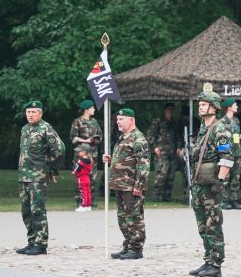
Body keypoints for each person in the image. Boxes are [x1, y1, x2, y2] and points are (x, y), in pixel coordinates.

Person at [185, 90, 235, 277]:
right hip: (199, 184)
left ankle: (216, 263)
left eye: (204, 104)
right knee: (202, 225)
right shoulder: (202, 129)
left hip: (211, 185)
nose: (200, 106)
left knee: (213, 223)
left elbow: (227, 157)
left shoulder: (219, 129)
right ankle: (208, 259)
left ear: (214, 108)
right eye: (200, 104)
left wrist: (220, 180)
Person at [17, 100, 65, 255]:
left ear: (40, 113)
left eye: (34, 112)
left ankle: (41, 243)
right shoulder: (25, 129)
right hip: (24, 176)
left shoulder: (46, 128)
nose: (30, 115)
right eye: (28, 112)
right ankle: (31, 241)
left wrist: (51, 168)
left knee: (38, 211)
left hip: (38, 177)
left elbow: (59, 150)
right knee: (26, 211)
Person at [103, 108, 150, 260]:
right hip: (120, 184)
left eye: (121, 119)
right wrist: (111, 159)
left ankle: (136, 248)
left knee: (134, 217)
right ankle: (128, 245)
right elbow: (126, 158)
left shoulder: (138, 139)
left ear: (131, 120)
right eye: (117, 119)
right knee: (123, 217)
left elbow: (143, 164)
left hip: (131, 186)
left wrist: (139, 185)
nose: (118, 122)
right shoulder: (123, 138)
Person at [149, 103, 183, 202]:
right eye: (168, 110)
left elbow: (178, 137)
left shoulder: (174, 123)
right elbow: (150, 135)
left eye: (172, 110)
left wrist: (179, 147)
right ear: (165, 110)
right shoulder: (158, 122)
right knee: (162, 174)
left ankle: (167, 196)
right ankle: (157, 195)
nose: (170, 112)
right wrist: (154, 147)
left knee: (171, 175)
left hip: (172, 152)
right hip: (161, 152)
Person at [70, 99, 102, 199]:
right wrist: (86, 141)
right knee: (81, 175)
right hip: (82, 153)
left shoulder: (94, 122)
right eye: (92, 108)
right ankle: (80, 198)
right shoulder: (77, 122)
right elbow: (73, 138)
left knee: (92, 175)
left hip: (93, 153)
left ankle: (89, 198)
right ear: (86, 110)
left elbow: (100, 135)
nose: (94, 110)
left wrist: (96, 140)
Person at [219, 98, 241, 209]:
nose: (237, 107)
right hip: (226, 153)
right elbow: (220, 139)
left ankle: (234, 199)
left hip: (237, 152)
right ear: (229, 107)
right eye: (235, 105)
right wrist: (224, 153)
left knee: (236, 177)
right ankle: (223, 200)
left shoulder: (237, 120)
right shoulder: (221, 122)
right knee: (225, 177)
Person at [72, 144, 94, 212]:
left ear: (84, 152)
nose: (78, 153)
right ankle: (88, 205)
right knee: (87, 191)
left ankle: (83, 206)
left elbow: (78, 167)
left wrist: (74, 172)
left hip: (81, 178)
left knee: (83, 192)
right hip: (87, 178)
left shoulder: (81, 160)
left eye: (80, 151)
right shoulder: (89, 160)